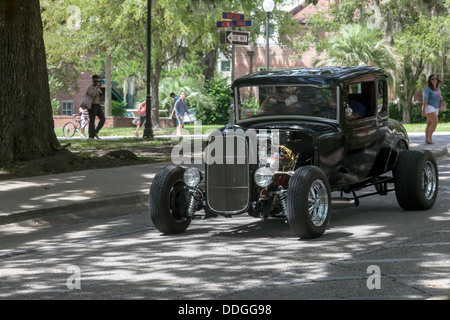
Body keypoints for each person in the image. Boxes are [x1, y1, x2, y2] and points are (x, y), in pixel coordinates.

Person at [422, 74, 445, 144]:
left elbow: (438, 95)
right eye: (432, 79)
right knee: (435, 122)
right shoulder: (427, 89)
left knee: (429, 124)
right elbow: (425, 99)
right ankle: (429, 138)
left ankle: (427, 139)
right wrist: (424, 110)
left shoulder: (437, 88)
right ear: (430, 80)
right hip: (429, 107)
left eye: (435, 78)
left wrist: (441, 99)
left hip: (435, 107)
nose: (434, 80)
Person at [86, 74, 105, 140]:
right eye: (95, 81)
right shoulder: (90, 87)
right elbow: (92, 95)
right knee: (92, 120)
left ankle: (95, 132)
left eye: (97, 81)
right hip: (92, 105)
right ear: (92, 81)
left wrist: (98, 88)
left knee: (103, 118)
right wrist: (97, 88)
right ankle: (91, 136)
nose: (96, 82)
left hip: (97, 104)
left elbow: (100, 95)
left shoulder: (98, 88)